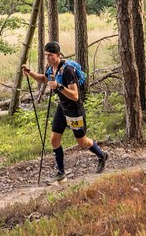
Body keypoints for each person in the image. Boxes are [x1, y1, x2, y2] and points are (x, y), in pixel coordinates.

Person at [22, 42, 108, 182]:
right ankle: (61, 173)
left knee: (82, 142)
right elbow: (44, 79)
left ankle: (101, 155)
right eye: (46, 55)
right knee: (54, 139)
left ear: (58, 55)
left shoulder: (67, 70)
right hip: (62, 108)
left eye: (50, 55)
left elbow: (75, 96)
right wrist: (30, 73)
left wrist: (59, 86)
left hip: (74, 110)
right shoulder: (51, 68)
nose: (47, 58)